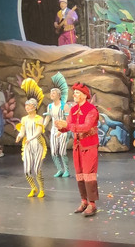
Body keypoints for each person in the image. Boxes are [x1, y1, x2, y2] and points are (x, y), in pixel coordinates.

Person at [55, 82, 99, 217]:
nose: (74, 94)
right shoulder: (73, 109)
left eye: (77, 93)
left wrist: (67, 125)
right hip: (77, 146)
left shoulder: (92, 110)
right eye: (74, 92)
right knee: (79, 174)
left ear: (84, 95)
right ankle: (84, 201)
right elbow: (69, 125)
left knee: (89, 175)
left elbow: (86, 127)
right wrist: (61, 127)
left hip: (89, 146)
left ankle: (92, 204)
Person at [15, 81, 47, 199]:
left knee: (37, 169)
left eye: (29, 106)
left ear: (35, 107)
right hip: (28, 145)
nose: (27, 108)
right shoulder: (24, 119)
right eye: (26, 106)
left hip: (37, 144)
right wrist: (19, 136)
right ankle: (33, 187)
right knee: (27, 170)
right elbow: (22, 131)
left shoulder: (39, 118)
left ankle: (42, 189)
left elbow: (39, 131)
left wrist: (31, 137)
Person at [43, 74, 71, 178]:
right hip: (54, 130)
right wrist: (43, 126)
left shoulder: (64, 106)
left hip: (63, 130)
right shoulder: (50, 106)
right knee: (54, 152)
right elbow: (48, 117)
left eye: (54, 93)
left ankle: (66, 170)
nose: (51, 95)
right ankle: (59, 169)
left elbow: (68, 120)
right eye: (51, 93)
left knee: (62, 151)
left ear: (59, 95)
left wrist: (62, 130)